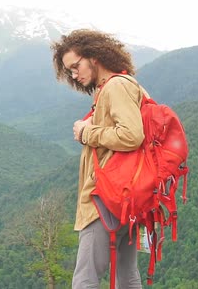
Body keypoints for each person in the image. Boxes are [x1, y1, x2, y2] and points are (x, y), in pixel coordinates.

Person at [51, 29, 147, 288]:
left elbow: (131, 135)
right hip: (125, 196)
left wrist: (86, 132)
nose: (75, 74)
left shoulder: (116, 86)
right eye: (69, 71)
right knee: (126, 274)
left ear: (94, 56)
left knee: (85, 278)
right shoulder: (119, 84)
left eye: (76, 66)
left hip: (105, 198)